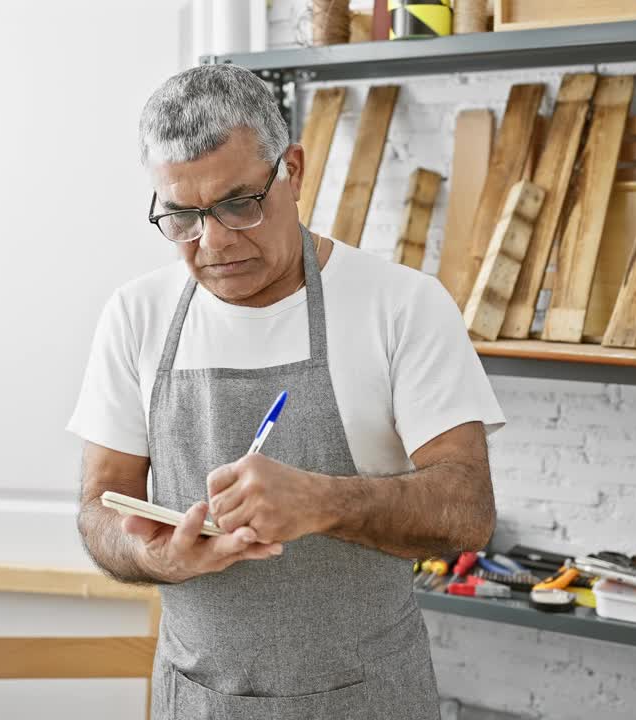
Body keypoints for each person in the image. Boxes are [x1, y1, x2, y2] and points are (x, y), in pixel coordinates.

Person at [67, 63, 504, 719]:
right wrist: (157, 554)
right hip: (200, 702)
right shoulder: (137, 317)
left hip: (371, 702)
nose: (214, 242)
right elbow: (99, 512)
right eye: (183, 216)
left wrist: (322, 500)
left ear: (293, 170)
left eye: (240, 204)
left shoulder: (400, 305)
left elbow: (469, 509)